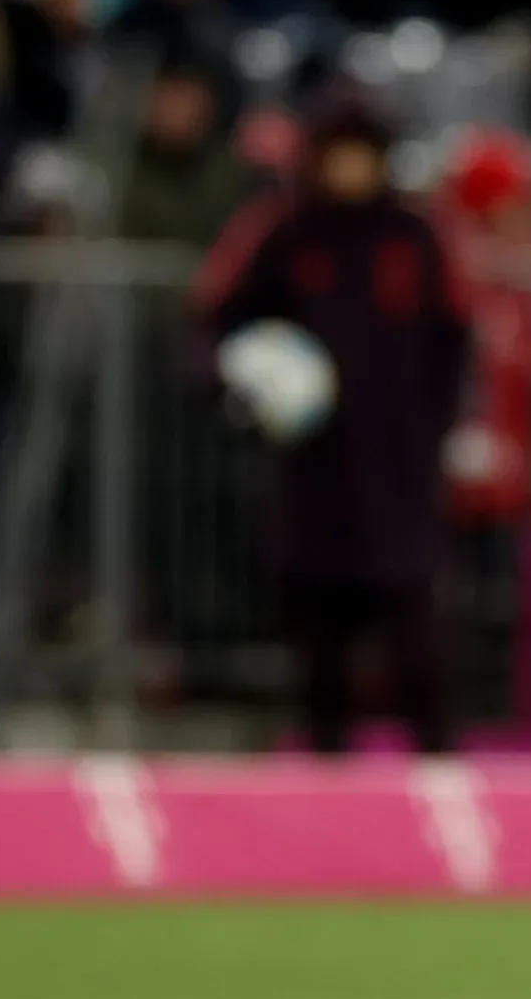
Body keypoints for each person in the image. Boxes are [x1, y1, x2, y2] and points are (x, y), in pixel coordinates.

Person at [193, 90, 469, 758]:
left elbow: (453, 335)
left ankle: (436, 759)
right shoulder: (283, 233)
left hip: (398, 466)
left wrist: (435, 425)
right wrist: (250, 392)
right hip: (311, 469)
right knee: (319, 631)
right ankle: (326, 766)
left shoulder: (415, 236)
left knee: (414, 626)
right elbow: (216, 323)